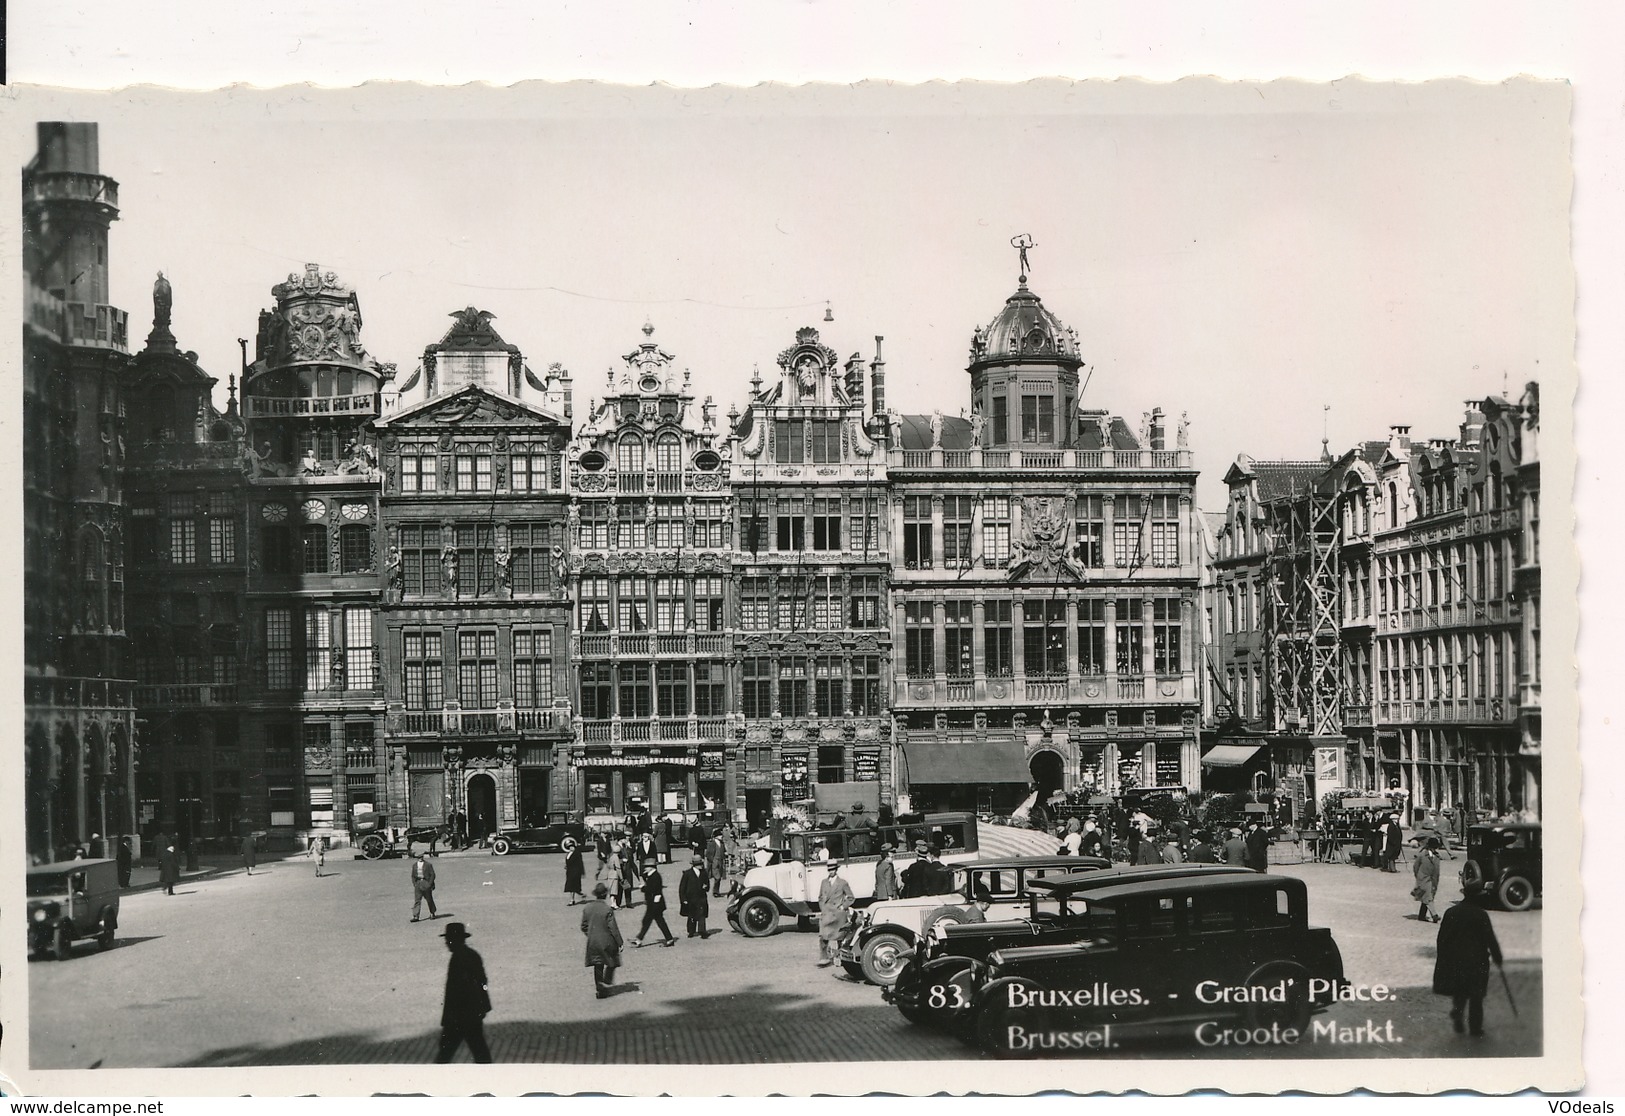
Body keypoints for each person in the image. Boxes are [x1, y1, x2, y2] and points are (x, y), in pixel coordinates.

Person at [1433, 899, 1504, 1036]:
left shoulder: (1451, 912)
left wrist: (1444, 957)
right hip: (1476, 960)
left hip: (1456, 959)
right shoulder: (1480, 914)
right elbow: (1490, 938)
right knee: (1476, 995)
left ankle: (1458, 1013)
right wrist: (1497, 956)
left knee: (1460, 990)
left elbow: (1442, 937)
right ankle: (1475, 1027)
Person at [434, 923, 492, 1063]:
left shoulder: (457, 959)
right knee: (480, 1053)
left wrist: (447, 1021)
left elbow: (453, 994)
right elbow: (483, 982)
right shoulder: (473, 955)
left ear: (455, 940)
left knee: (445, 1055)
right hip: (473, 1014)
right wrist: (483, 1004)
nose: (447, 943)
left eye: (449, 940)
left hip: (459, 1018)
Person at [581, 882, 625, 998]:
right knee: (613, 961)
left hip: (593, 942)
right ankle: (605, 983)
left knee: (597, 964)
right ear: (605, 895)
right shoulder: (607, 909)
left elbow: (583, 926)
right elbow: (613, 928)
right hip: (607, 941)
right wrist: (620, 942)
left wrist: (591, 934)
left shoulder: (587, 908)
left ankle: (600, 988)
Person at [816, 861, 855, 967]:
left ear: (836, 870)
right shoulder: (824, 882)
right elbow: (820, 897)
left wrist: (843, 907)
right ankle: (824, 958)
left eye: (833, 869)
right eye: (829, 869)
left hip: (837, 914)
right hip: (826, 913)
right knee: (823, 936)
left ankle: (838, 957)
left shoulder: (842, 883)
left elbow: (851, 897)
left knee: (839, 938)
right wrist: (822, 907)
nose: (831, 872)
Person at [632, 864, 677, 947]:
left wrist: (642, 888)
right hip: (654, 903)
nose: (645, 868)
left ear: (651, 867)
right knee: (658, 921)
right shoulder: (652, 875)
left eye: (647, 867)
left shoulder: (655, 877)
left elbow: (651, 889)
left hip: (655, 904)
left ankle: (639, 939)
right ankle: (669, 939)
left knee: (647, 921)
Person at [679, 854, 711, 939]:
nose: (701, 866)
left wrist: (706, 887)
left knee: (702, 915)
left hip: (701, 897)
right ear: (695, 865)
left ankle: (702, 931)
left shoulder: (704, 873)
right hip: (691, 898)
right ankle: (691, 931)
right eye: (699, 864)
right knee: (691, 916)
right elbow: (682, 887)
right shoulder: (687, 874)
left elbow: (707, 884)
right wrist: (683, 899)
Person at [1412, 837, 1443, 923]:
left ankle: (1421, 915)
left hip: (1433, 879)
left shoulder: (1437, 857)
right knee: (1428, 897)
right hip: (1423, 879)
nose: (1434, 849)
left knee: (1426, 897)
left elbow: (1437, 871)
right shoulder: (1422, 855)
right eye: (1433, 847)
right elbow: (1415, 867)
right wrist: (1418, 876)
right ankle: (1434, 915)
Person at [410, 849, 438, 922]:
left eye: (421, 857)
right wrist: (415, 883)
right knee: (417, 900)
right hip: (418, 883)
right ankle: (416, 916)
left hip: (426, 882)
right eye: (419, 857)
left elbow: (432, 875)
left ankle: (432, 913)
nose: (420, 858)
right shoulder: (414, 865)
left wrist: (429, 884)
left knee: (429, 899)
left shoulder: (428, 865)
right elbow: (413, 875)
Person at [705, 829, 728, 897]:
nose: (721, 836)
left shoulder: (722, 843)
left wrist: (725, 854)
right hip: (714, 863)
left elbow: (723, 851)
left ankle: (717, 891)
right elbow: (708, 854)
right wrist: (712, 861)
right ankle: (715, 892)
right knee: (717, 877)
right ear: (716, 836)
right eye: (720, 835)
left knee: (719, 878)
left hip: (720, 862)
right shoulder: (712, 843)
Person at [563, 837, 586, 905]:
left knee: (572, 886)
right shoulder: (569, 853)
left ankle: (572, 900)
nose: (570, 848)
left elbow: (580, 863)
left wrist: (581, 872)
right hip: (569, 872)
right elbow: (568, 862)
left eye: (572, 846)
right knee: (572, 887)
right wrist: (566, 866)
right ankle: (577, 895)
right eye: (569, 847)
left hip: (575, 872)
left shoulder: (577, 853)